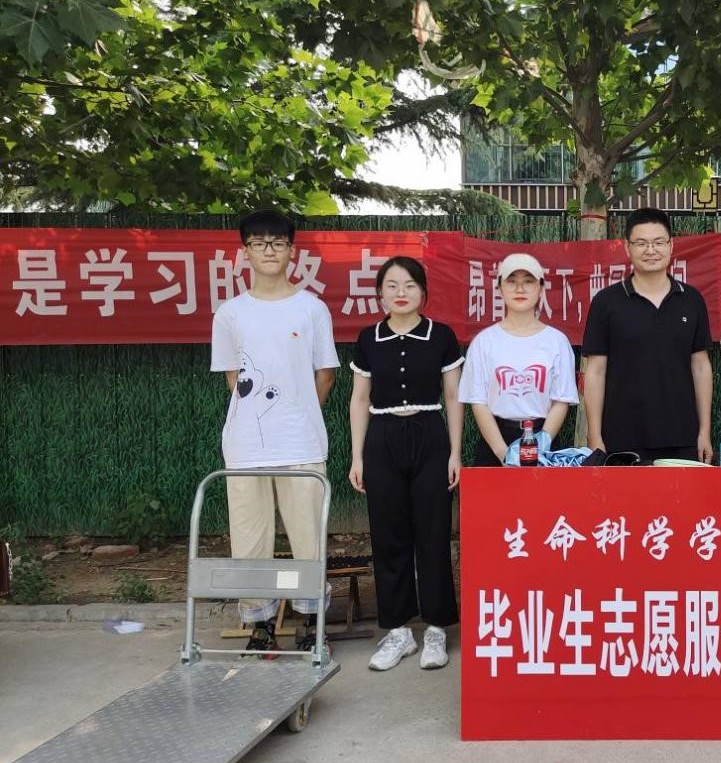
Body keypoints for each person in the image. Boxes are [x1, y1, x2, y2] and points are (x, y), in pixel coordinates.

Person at [210, 209, 339, 656]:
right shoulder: (230, 313)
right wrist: (262, 417)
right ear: (244, 251)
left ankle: (312, 623)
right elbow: (233, 378)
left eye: (278, 242)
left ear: (291, 251)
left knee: (308, 537)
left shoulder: (311, 308)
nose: (269, 250)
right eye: (259, 243)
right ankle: (260, 624)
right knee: (250, 541)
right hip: (245, 446)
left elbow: (325, 375)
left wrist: (296, 413)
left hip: (302, 441)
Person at [348, 256, 463, 672]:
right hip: (382, 439)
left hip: (430, 436)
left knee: (433, 533)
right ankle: (398, 632)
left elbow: (453, 396)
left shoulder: (441, 336)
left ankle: (435, 629)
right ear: (380, 292)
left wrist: (455, 453)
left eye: (410, 285)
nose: (401, 293)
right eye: (392, 285)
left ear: (423, 291)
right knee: (388, 535)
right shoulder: (369, 338)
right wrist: (357, 456)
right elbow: (360, 398)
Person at [581, 207, 714, 464]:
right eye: (641, 243)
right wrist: (594, 434)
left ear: (671, 246)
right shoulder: (606, 302)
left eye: (658, 242)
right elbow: (595, 371)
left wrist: (704, 431)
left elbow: (700, 366)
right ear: (627, 247)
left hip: (682, 435)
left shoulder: (691, 300)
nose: (650, 250)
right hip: (622, 438)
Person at [459, 252, 578, 465]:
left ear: (541, 289)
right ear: (500, 288)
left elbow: (561, 400)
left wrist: (542, 443)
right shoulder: (484, 341)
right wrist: (503, 453)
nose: (520, 289)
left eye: (528, 281)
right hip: (495, 440)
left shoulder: (557, 341)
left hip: (544, 438)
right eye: (512, 281)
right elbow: (478, 401)